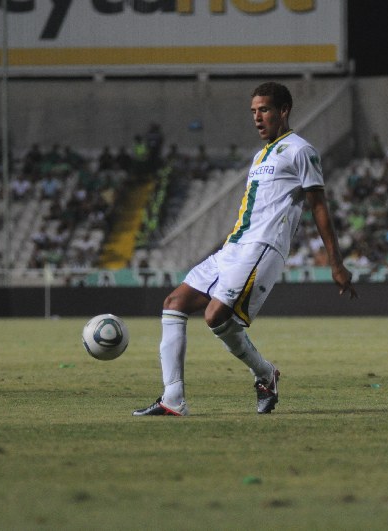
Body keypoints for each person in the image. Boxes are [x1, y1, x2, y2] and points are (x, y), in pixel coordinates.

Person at [134, 81, 357, 417]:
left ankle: (265, 373)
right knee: (174, 303)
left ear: (284, 111)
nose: (257, 117)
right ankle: (173, 399)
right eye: (253, 111)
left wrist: (335, 262)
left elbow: (319, 205)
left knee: (214, 316)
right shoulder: (260, 155)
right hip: (233, 247)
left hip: (263, 248)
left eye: (264, 110)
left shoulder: (301, 151)